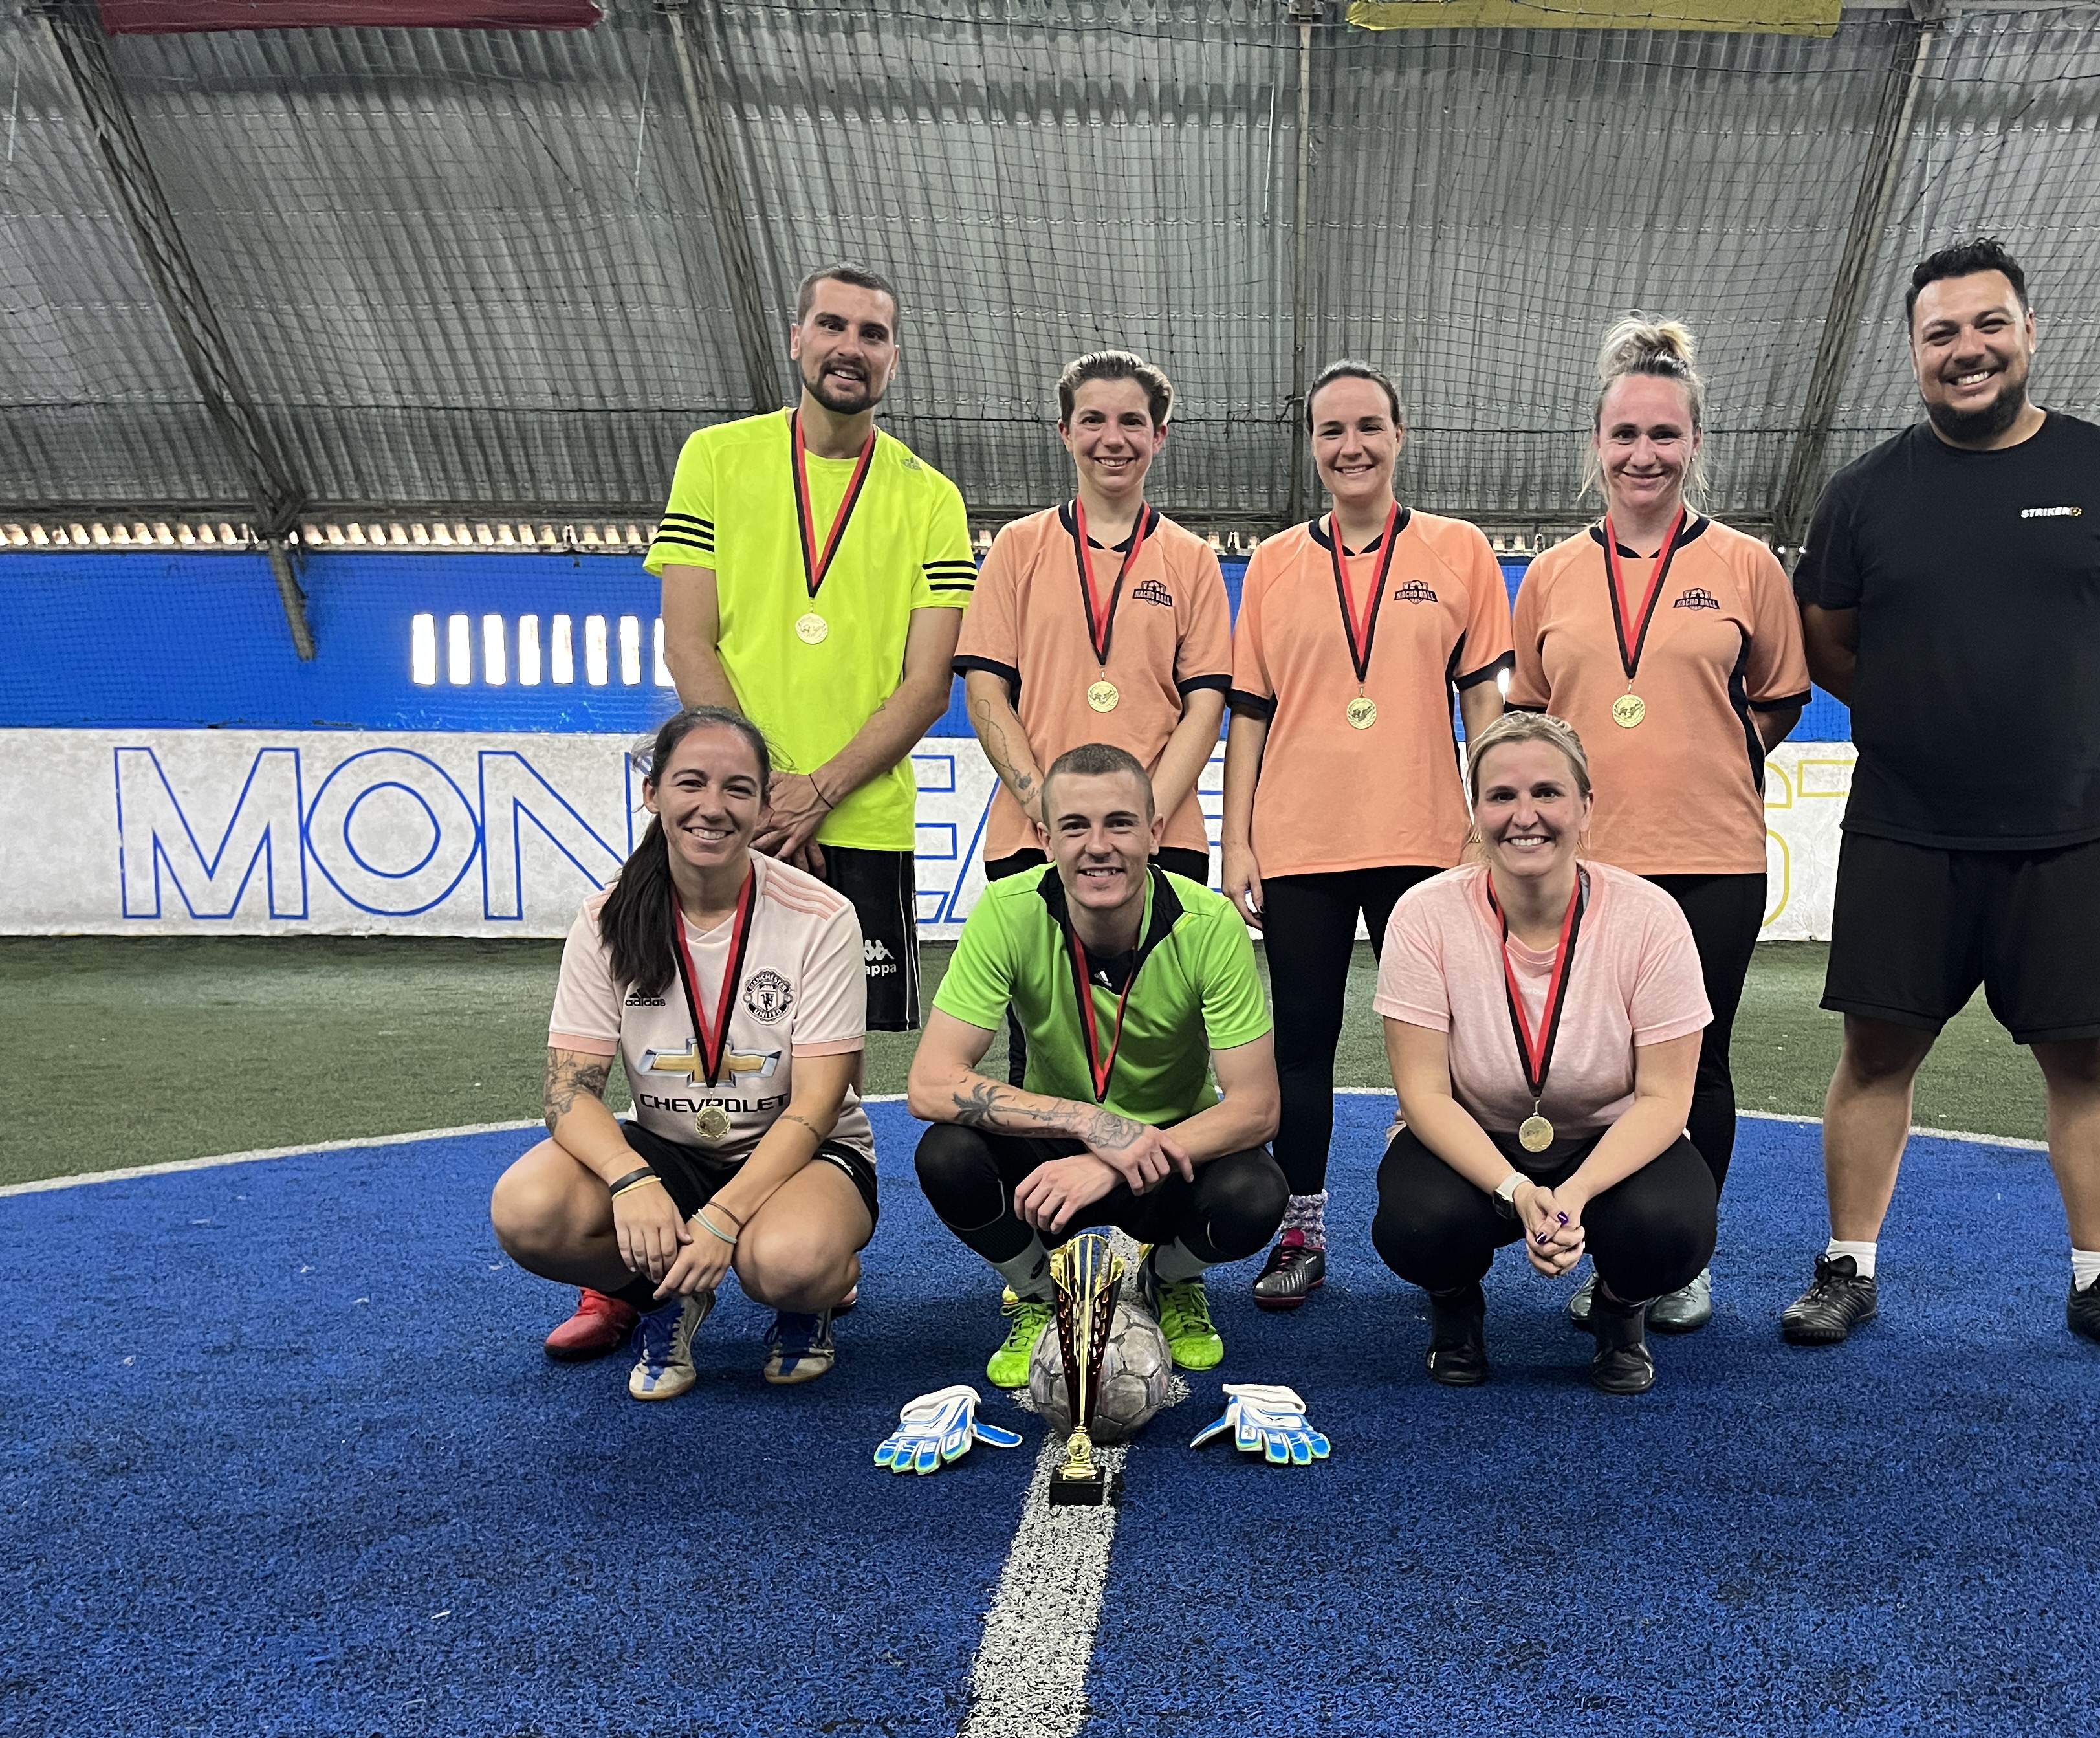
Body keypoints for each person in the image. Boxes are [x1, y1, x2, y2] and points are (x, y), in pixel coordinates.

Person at [547, 260, 974, 1363]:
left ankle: (802, 1261)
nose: (850, 346)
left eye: (872, 332)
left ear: (893, 356)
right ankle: (625, 1270)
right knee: (671, 1005)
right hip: (723, 805)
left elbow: (928, 682)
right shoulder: (717, 457)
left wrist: (818, 790)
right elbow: (689, 638)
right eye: (832, 324)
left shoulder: (929, 496)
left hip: (858, 812)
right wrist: (751, 788)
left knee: (830, 1056)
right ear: (796, 338)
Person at [1786, 237, 2100, 1370]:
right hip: (1904, 827)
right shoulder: (1865, 494)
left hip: (2070, 828)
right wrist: (1922, 714)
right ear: (1914, 353)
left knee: (2088, 1060)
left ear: (2027, 333)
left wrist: (2051, 714)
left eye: (1987, 324)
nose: (1966, 349)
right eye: (1941, 333)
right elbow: (1829, 642)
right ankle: (1848, 1268)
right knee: (1875, 1053)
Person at [1509, 316, 1811, 1336]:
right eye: (1626, 435)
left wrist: (1708, 756)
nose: (1645, 455)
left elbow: (1780, 695)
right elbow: (1532, 719)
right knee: (1590, 1069)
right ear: (1596, 444)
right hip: (1584, 869)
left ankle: (1681, 1261)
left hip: (1712, 858)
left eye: (1665, 435)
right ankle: (1601, 1246)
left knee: (1698, 1063)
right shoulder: (1550, 575)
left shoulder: (1747, 565)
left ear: (1696, 443)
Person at [1219, 360, 1515, 1306]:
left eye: (1368, 427)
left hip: (1425, 843)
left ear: (1399, 434)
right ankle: (1301, 1230)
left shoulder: (1460, 552)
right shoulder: (1273, 564)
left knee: (1443, 1048)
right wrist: (1237, 841)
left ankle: (1452, 1232)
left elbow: (1485, 705)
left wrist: (1486, 827)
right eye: (1331, 431)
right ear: (1312, 444)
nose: (1351, 447)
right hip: (1300, 842)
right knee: (1303, 1044)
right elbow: (1250, 714)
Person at [492, 707, 880, 1402]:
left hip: (801, 1152)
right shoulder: (607, 919)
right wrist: (630, 1179)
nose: (713, 806)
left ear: (763, 805)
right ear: (653, 793)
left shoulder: (821, 916)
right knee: (528, 1208)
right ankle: (667, 1296)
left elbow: (819, 1103)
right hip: (671, 1150)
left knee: (787, 1263)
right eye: (691, 782)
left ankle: (809, 1302)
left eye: (738, 788)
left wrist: (724, 1218)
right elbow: (567, 1094)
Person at [906, 743, 1285, 1386]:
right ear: (1045, 839)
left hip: (1167, 1158)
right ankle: (1039, 1291)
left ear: (1155, 833)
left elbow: (1258, 1108)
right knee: (947, 1155)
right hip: (1053, 1169)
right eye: (1076, 826)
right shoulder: (1007, 910)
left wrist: (1118, 1156)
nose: (1098, 846)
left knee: (1255, 1193)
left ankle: (1169, 1277)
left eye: (1120, 823)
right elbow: (930, 1084)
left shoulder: (1209, 924)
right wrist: (1092, 1125)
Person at [1371, 714, 1714, 1395]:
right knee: (1416, 1221)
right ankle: (1455, 1305)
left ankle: (1619, 1309)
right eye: (1501, 796)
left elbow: (1666, 1099)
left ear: (1586, 807)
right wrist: (1519, 1191)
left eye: (1547, 793)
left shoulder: (1650, 918)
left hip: (1607, 1141)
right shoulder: (1423, 914)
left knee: (1673, 1228)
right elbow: (1424, 1094)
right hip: (1476, 1138)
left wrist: (1574, 1196)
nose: (1524, 816)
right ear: (1476, 811)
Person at [956, 349, 1232, 1084]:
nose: (1114, 439)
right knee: (1041, 1051)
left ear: (1159, 436)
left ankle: (1171, 1163)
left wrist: (1148, 815)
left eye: (1132, 422)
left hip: (1165, 835)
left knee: (1166, 1046)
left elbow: (1205, 703)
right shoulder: (1017, 548)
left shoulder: (1191, 559)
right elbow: (986, 690)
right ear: (1065, 432)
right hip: (1033, 835)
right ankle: (1043, 1162)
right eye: (1094, 421)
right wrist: (1042, 805)